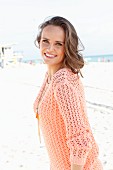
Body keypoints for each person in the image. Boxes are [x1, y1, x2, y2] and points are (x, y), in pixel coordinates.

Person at [33, 16, 103, 170]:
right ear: (39, 42)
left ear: (67, 47)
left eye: (58, 44)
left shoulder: (62, 81)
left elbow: (81, 140)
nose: (50, 48)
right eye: (46, 41)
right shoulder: (50, 76)